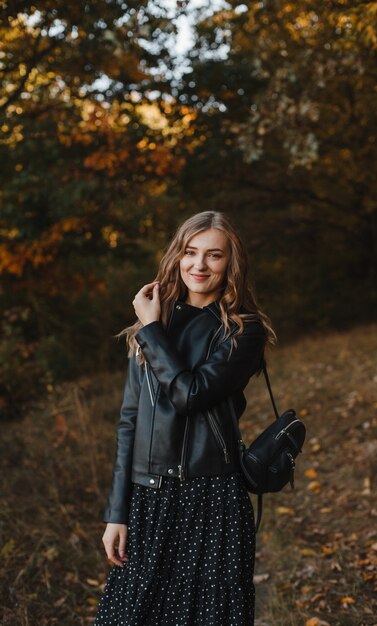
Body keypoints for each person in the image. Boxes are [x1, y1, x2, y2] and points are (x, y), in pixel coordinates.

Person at [94, 211, 276, 626]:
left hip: (212, 500)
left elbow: (188, 394)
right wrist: (116, 511)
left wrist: (152, 329)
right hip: (150, 499)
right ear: (177, 256)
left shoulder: (243, 331)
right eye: (190, 252)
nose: (199, 265)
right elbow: (129, 422)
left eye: (214, 256)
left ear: (231, 264)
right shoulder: (151, 324)